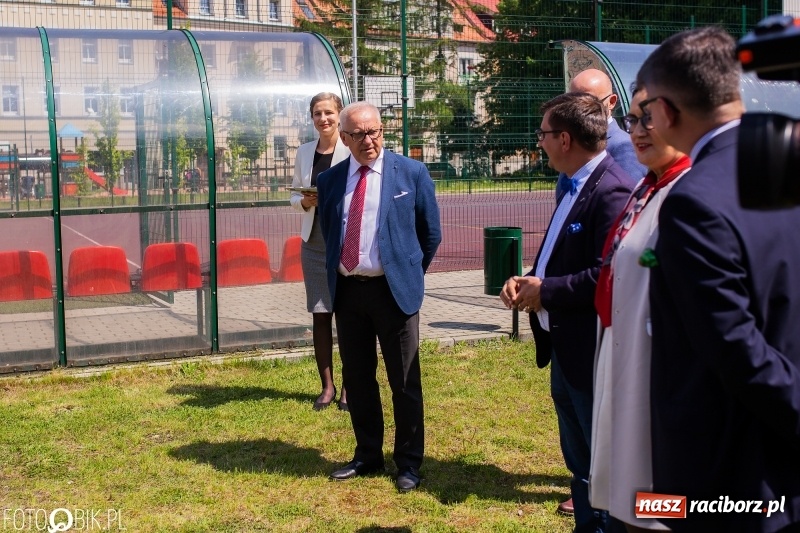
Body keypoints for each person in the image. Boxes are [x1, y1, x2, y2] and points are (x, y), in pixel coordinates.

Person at [637, 26, 800, 532]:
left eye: (645, 113)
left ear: (665, 111)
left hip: (734, 470)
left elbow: (735, 349)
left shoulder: (693, 201)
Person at [499, 92, 632, 533]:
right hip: (566, 345)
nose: (539, 143)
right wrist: (529, 278)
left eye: (542, 134)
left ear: (564, 138)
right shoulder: (575, 183)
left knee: (603, 455)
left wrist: (547, 290)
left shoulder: (610, 190)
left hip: (592, 349)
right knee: (579, 455)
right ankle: (588, 522)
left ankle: (606, 524)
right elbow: (559, 257)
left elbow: (607, 277)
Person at [316, 101, 442, 492]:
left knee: (404, 381)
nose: (369, 140)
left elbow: (430, 234)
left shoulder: (412, 172)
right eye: (359, 134)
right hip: (349, 292)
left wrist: (407, 274)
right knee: (358, 377)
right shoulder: (332, 180)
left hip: (394, 293)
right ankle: (368, 455)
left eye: (375, 132)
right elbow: (332, 233)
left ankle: (407, 463)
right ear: (346, 137)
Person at [588, 85, 690, 532]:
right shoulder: (649, 186)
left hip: (656, 365)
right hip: (623, 352)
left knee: (658, 494)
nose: (638, 131)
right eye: (632, 121)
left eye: (649, 118)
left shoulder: (688, 192)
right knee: (630, 487)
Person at [290, 92, 351, 412]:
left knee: (348, 316)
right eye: (317, 113)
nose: (323, 119)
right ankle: (327, 387)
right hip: (313, 243)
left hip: (344, 241)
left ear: (339, 115)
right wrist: (303, 201)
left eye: (328, 112)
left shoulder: (350, 147)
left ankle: (348, 388)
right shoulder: (303, 152)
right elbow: (292, 193)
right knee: (320, 313)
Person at [556, 69, 643, 204]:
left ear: (612, 102)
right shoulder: (572, 143)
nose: (578, 109)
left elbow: (623, 205)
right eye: (572, 101)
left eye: (588, 102)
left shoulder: (623, 147)